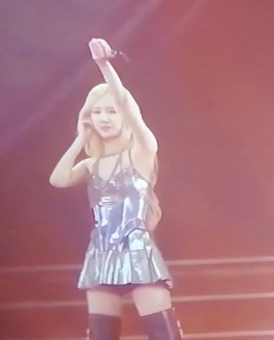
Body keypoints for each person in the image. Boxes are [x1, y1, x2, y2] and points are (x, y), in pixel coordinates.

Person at [48, 38, 181, 340]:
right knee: (101, 334)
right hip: (102, 252)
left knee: (162, 333)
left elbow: (127, 104)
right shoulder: (91, 165)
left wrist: (104, 65)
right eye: (97, 112)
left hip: (137, 249)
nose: (104, 118)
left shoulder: (141, 153)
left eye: (111, 111)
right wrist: (80, 139)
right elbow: (58, 179)